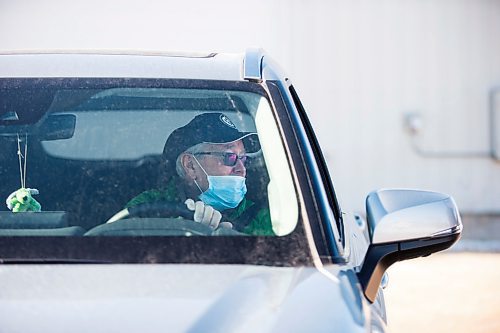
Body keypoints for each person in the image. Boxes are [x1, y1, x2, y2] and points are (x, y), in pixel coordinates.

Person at [125, 112, 274, 236]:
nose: (241, 169)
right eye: (230, 157)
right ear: (191, 166)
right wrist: (179, 229)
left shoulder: (263, 216)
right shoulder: (148, 206)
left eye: (243, 158)